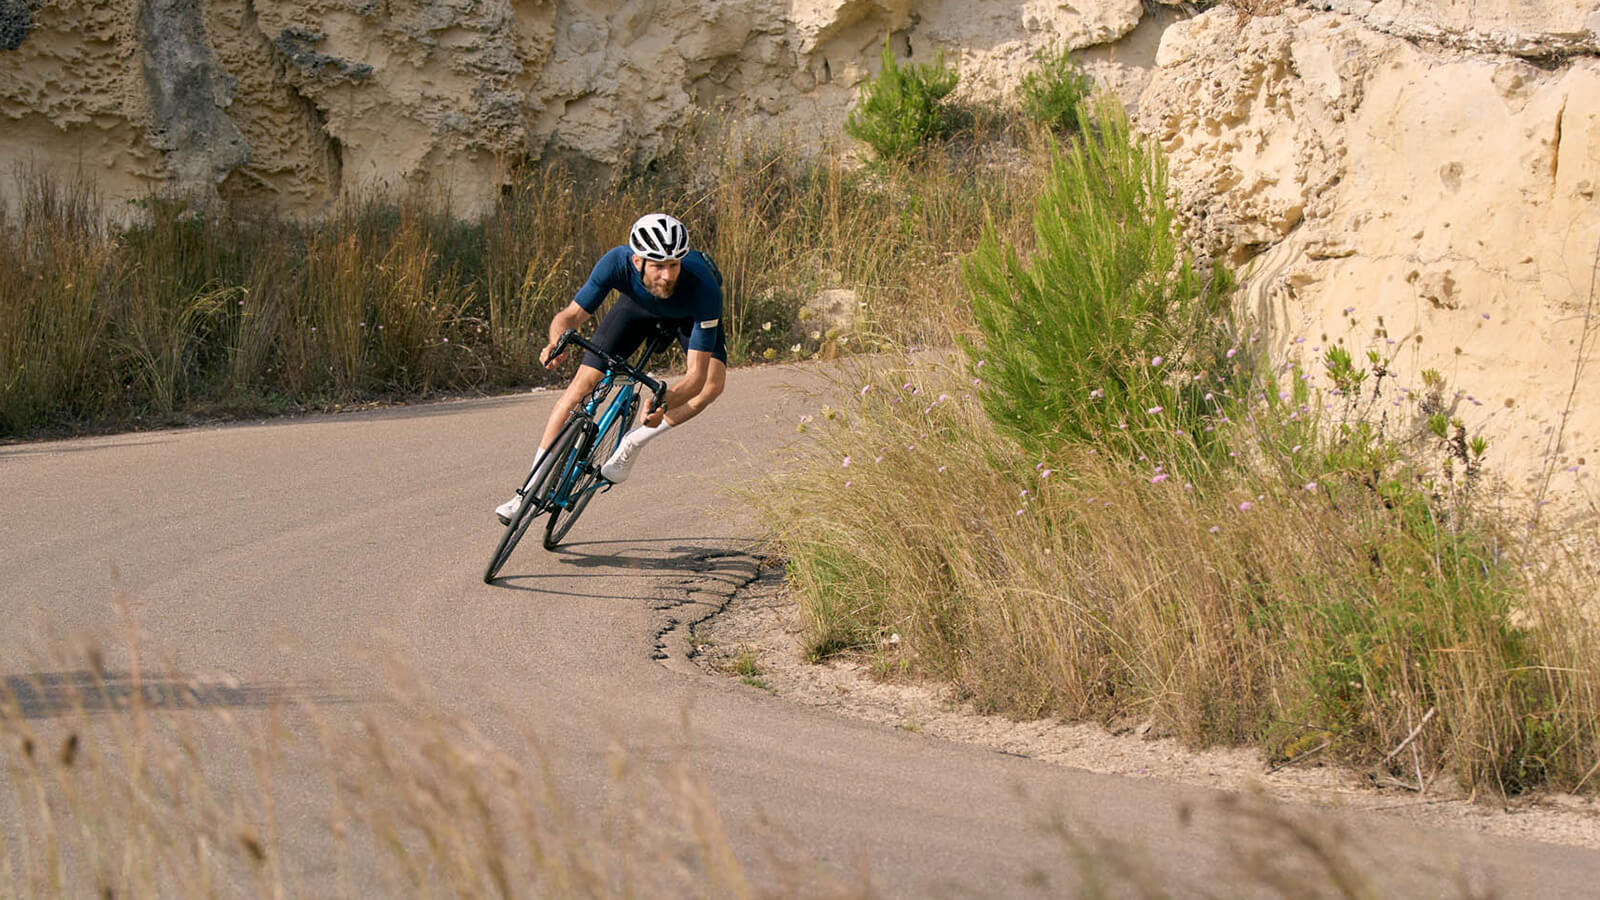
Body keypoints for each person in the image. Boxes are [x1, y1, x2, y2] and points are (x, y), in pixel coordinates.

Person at [495, 213, 727, 524]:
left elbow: (695, 377)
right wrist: (555, 343)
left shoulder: (703, 288)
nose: (668, 275)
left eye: (674, 264)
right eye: (658, 265)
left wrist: (662, 402)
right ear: (637, 261)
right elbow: (570, 317)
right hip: (635, 309)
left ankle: (634, 442)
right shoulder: (615, 263)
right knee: (579, 388)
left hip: (690, 316)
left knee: (713, 385)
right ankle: (527, 492)